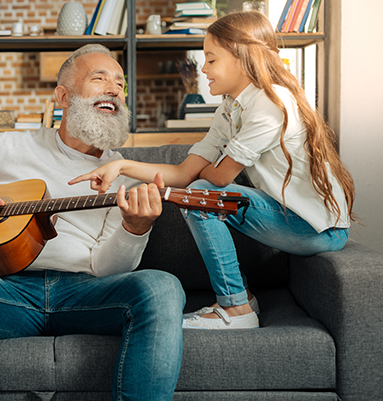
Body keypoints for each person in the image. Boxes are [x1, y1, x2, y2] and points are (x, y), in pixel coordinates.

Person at [0, 44, 185, 400]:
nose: (115, 89)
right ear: (63, 97)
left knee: (163, 287)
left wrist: (135, 229)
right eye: (100, 78)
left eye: (121, 84)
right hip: (4, 289)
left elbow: (107, 269)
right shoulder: (9, 145)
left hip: (85, 295)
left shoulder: (125, 176)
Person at [70, 12, 356, 330]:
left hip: (316, 230)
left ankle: (236, 308)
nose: (203, 68)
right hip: (288, 218)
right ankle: (242, 297)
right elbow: (184, 173)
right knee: (196, 193)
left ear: (242, 58)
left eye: (211, 59)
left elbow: (218, 179)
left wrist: (196, 180)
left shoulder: (271, 104)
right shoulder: (230, 108)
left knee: (199, 195)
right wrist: (121, 164)